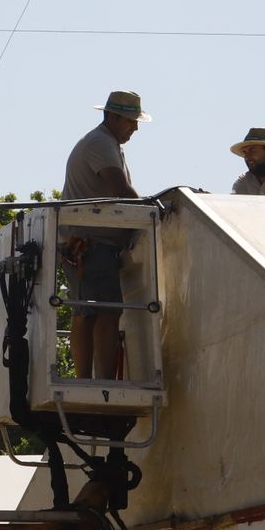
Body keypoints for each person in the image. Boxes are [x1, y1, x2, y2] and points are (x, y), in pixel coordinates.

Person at [62, 90, 146, 380]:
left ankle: (88, 380)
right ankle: (102, 383)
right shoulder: (100, 142)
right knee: (106, 313)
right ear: (111, 117)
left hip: (86, 243)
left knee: (87, 312)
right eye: (130, 121)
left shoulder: (105, 142)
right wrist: (152, 213)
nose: (134, 127)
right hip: (92, 244)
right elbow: (120, 190)